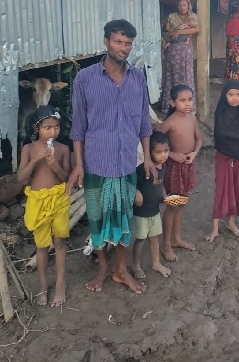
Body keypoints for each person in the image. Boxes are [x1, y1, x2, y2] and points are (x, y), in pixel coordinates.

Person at [67, 19, 157, 295]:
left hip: (126, 163)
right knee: (97, 219)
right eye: (118, 41)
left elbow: (144, 122)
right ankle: (102, 268)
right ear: (106, 41)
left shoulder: (138, 78)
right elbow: (78, 127)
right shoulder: (85, 79)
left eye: (128, 43)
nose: (123, 48)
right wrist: (78, 164)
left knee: (123, 218)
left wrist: (148, 157)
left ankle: (120, 270)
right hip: (97, 163)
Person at [17, 105, 71, 307]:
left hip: (58, 200)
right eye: (47, 128)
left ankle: (60, 284)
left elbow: (66, 178)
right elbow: (21, 178)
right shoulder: (28, 149)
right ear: (36, 128)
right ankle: (42, 286)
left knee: (60, 242)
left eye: (56, 127)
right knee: (42, 246)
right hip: (38, 202)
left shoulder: (63, 149)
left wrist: (54, 164)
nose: (53, 132)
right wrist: (36, 160)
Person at [205, 80, 239, 243]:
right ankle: (214, 228)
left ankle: (231, 223)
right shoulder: (221, 113)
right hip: (224, 157)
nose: (234, 98)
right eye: (230, 95)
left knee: (236, 189)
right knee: (222, 190)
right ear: (225, 95)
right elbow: (221, 136)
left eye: (238, 94)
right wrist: (237, 144)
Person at [159, 84, 202, 261]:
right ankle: (165, 244)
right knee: (172, 206)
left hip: (188, 166)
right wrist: (171, 154)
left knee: (182, 203)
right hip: (174, 169)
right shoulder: (170, 122)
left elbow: (199, 140)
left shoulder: (192, 119)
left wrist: (194, 153)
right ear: (172, 102)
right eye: (182, 100)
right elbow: (156, 144)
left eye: (190, 100)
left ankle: (176, 238)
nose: (187, 104)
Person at [131, 131, 172, 280]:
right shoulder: (142, 168)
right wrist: (136, 191)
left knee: (154, 237)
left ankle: (156, 263)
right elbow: (130, 181)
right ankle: (136, 265)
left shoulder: (163, 166)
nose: (163, 155)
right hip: (141, 212)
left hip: (155, 210)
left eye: (166, 151)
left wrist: (164, 194)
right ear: (149, 152)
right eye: (158, 152)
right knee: (140, 239)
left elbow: (160, 184)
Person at [161, 0, 199, 113]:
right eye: (179, 5)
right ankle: (170, 106)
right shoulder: (171, 17)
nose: (182, 7)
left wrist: (179, 31)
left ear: (188, 6)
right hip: (173, 50)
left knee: (186, 74)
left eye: (184, 5)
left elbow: (196, 29)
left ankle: (187, 105)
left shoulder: (192, 17)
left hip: (186, 50)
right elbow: (165, 32)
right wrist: (171, 35)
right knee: (172, 74)